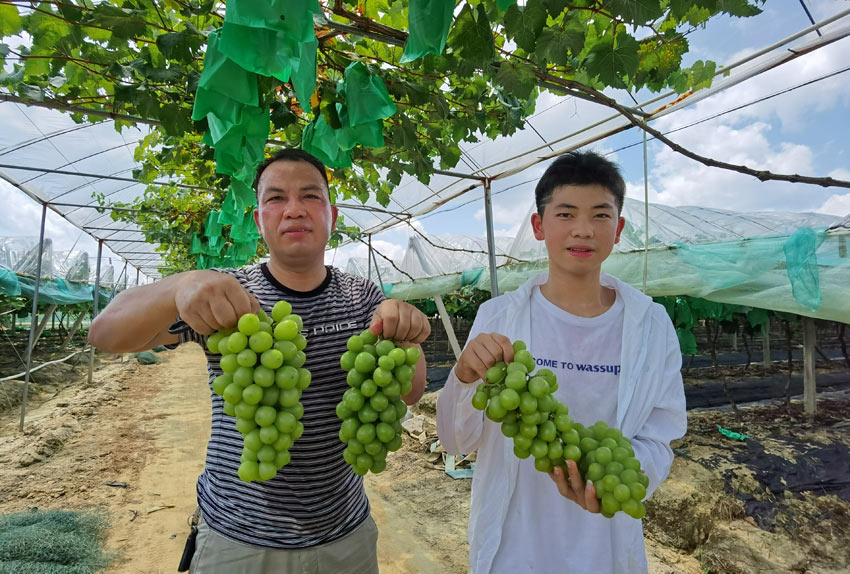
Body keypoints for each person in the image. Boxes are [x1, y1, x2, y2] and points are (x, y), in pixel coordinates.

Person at [89, 148, 430, 573]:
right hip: (238, 540)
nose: (293, 210)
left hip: (345, 534)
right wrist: (181, 284)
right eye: (275, 198)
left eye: (310, 196)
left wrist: (409, 335)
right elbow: (105, 335)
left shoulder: (363, 297)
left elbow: (412, 391)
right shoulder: (225, 296)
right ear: (257, 220)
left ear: (332, 215)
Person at [436, 151, 687, 573]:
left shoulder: (651, 325)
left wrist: (613, 482)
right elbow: (456, 441)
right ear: (539, 225)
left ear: (619, 228)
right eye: (566, 213)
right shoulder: (499, 317)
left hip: (605, 547)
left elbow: (660, 437)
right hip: (514, 553)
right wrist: (461, 379)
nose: (584, 230)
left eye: (601, 216)